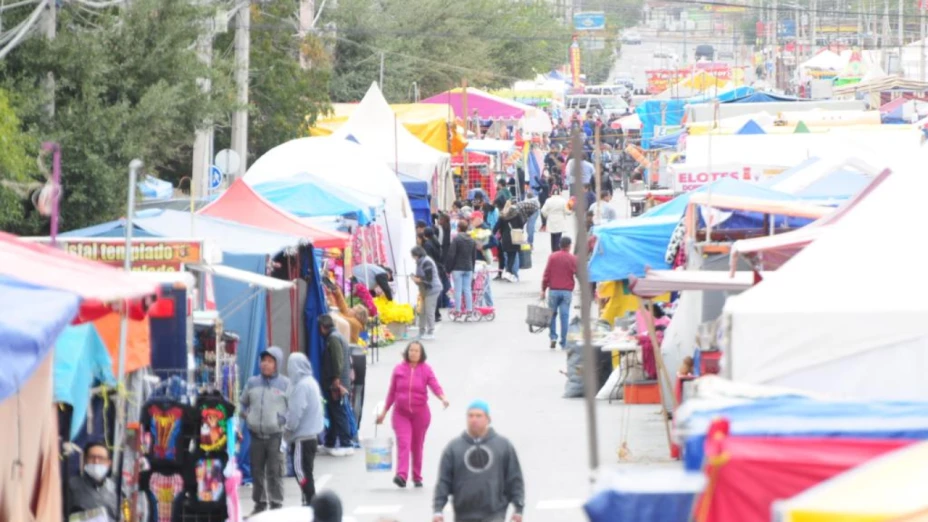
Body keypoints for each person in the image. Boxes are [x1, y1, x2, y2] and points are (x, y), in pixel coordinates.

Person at [433, 400, 525, 522]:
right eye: (470, 416)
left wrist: (518, 508)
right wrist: (438, 510)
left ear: (488, 419)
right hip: (463, 514)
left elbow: (514, 478)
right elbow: (444, 481)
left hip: (494, 513)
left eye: (478, 416)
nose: (474, 419)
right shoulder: (454, 448)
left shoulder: (503, 446)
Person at [377, 341, 449, 488]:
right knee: (404, 442)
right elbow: (392, 392)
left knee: (417, 445)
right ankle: (401, 475)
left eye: (416, 351)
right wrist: (383, 412)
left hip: (420, 414)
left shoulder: (426, 370)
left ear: (421, 354)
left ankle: (417, 476)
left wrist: (443, 397)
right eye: (411, 350)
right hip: (401, 413)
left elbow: (434, 385)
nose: (413, 353)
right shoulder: (399, 369)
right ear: (407, 352)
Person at [241, 346, 290, 514]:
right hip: (255, 435)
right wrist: (246, 416)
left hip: (275, 436)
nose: (265, 364)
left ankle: (276, 506)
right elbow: (242, 402)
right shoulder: (252, 382)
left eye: (270, 361)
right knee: (256, 472)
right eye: (263, 361)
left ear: (277, 364)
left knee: (274, 472)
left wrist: (283, 420)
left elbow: (293, 408)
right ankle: (260, 506)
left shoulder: (285, 383)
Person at [284, 353, 325, 506]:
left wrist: (287, 430)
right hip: (312, 436)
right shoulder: (310, 382)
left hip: (302, 437)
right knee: (306, 470)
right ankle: (307, 500)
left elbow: (295, 413)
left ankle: (310, 500)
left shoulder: (301, 386)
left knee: (300, 471)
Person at [319, 314, 354, 456]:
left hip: (337, 382)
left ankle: (346, 444)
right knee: (334, 413)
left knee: (339, 413)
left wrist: (336, 380)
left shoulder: (333, 339)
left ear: (322, 327)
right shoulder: (338, 336)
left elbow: (337, 360)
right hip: (339, 381)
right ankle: (330, 442)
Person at [542, 236, 578, 350]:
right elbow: (578, 273)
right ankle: (564, 342)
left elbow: (546, 274)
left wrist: (543, 289)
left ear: (560, 245)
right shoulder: (572, 258)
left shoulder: (552, 257)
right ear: (569, 246)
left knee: (552, 315)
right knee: (564, 316)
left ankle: (553, 337)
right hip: (566, 292)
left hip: (553, 291)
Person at [68, 441, 118, 522]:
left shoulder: (116, 489)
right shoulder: (71, 486)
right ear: (84, 461)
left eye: (101, 458)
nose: (96, 461)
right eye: (92, 457)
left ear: (109, 463)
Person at [445, 219, 478, 318]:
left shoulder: (456, 239)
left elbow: (451, 255)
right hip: (468, 267)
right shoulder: (472, 240)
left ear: (458, 228)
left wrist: (448, 269)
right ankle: (469, 310)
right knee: (467, 290)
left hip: (457, 268)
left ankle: (458, 311)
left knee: (458, 290)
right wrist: (472, 268)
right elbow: (474, 256)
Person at [412, 245, 442, 340]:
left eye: (413, 256)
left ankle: (430, 332)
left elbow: (428, 279)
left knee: (429, 311)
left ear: (417, 255)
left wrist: (417, 279)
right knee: (422, 311)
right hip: (425, 290)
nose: (413, 258)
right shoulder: (420, 262)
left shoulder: (427, 262)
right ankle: (421, 332)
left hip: (432, 289)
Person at [541, 187, 570, 254]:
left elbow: (543, 210)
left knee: (552, 236)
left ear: (552, 193)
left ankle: (553, 251)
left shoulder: (548, 200)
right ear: (559, 193)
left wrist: (547, 215)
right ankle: (558, 250)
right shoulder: (563, 200)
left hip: (551, 219)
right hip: (560, 219)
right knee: (558, 236)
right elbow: (567, 211)